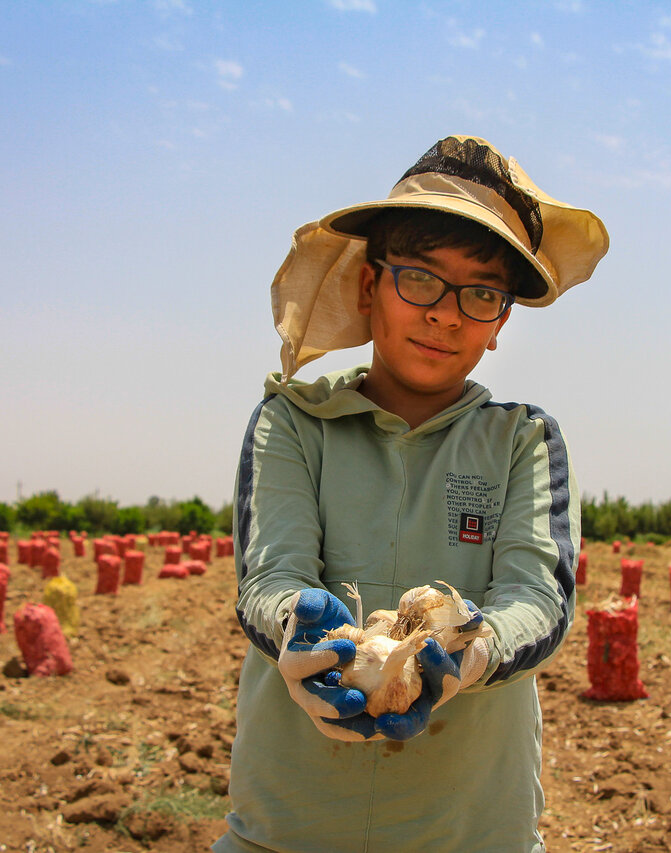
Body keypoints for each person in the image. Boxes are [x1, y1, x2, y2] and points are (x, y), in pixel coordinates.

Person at [215, 136, 608, 852]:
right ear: (370, 288)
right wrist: (302, 632)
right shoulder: (293, 423)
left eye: (482, 293)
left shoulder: (524, 441)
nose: (447, 313)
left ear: (500, 324)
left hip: (472, 833)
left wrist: (469, 651)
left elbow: (538, 600)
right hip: (288, 831)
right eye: (421, 279)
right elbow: (269, 576)